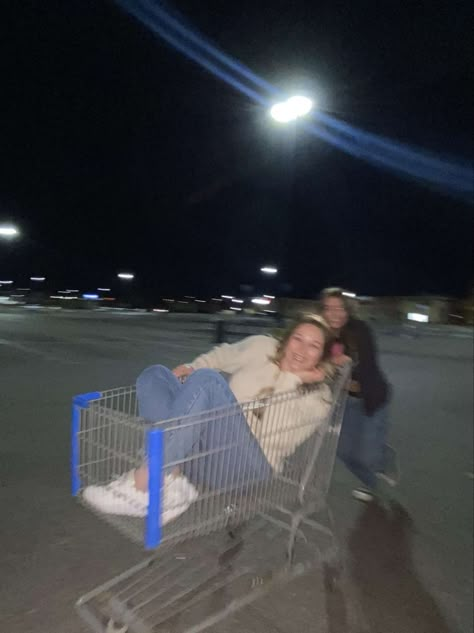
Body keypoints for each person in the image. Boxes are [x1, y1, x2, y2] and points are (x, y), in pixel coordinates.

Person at [83, 314, 334, 523]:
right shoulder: (262, 347)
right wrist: (192, 366)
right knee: (155, 376)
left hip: (248, 465)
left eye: (313, 346)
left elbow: (275, 435)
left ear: (321, 358)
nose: (301, 349)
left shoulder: (319, 399)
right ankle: (172, 483)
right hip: (206, 450)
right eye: (297, 339)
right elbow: (223, 355)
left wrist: (293, 379)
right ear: (286, 339)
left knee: (207, 382)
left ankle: (141, 485)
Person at [321, 287, 395, 502]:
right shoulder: (324, 335)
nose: (334, 313)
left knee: (367, 455)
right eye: (328, 308)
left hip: (372, 398)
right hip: (348, 402)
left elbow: (368, 369)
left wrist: (345, 374)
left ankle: (385, 458)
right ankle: (371, 484)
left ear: (347, 310)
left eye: (339, 308)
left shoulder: (359, 330)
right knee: (343, 451)